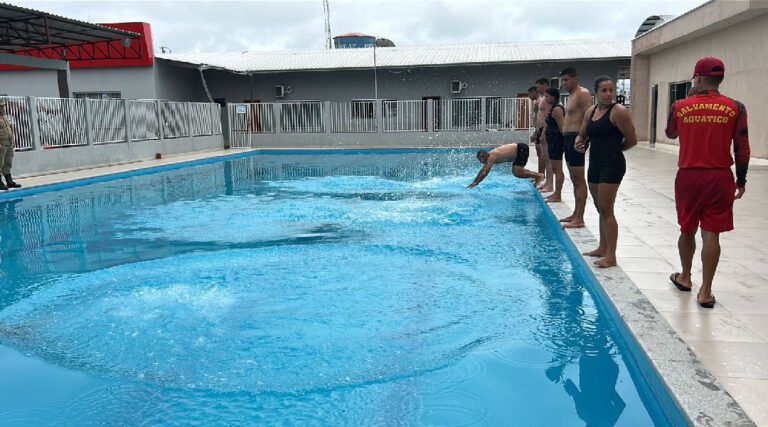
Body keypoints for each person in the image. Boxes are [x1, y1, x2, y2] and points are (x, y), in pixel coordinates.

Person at [665, 57, 750, 308]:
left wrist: (687, 104)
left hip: (689, 177)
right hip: (720, 176)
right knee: (711, 233)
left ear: (699, 78)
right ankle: (706, 292)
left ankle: (685, 277)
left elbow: (671, 133)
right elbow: (742, 148)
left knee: (687, 229)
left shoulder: (680, 106)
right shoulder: (736, 107)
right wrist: (741, 181)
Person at [575, 76, 637, 268]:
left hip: (612, 165)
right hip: (595, 164)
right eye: (604, 90)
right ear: (596, 93)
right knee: (600, 207)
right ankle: (602, 248)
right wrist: (578, 143)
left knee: (606, 209)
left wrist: (614, 151)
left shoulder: (619, 112)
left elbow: (632, 140)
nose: (608, 94)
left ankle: (611, 256)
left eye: (611, 90)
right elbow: (582, 135)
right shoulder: (591, 112)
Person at [559, 67, 592, 228]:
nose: (564, 83)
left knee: (579, 180)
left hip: (576, 138)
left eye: (566, 80)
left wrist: (584, 139)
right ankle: (576, 213)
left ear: (575, 78)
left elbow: (589, 117)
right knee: (574, 179)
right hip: (568, 139)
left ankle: (580, 218)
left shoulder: (582, 94)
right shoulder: (572, 95)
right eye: (563, 80)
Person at [468, 143, 543, 188]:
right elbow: (482, 170)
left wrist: (477, 182)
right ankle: (535, 176)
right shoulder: (490, 156)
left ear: (483, 158)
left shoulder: (492, 157)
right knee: (518, 170)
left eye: (481, 161)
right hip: (520, 148)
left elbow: (485, 172)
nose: (481, 162)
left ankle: (539, 176)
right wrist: (475, 181)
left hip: (521, 149)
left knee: (516, 172)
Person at [542, 87, 566, 203]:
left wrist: (564, 144)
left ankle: (558, 194)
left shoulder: (557, 109)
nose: (545, 99)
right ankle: (556, 193)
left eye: (547, 96)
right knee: (556, 168)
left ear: (553, 97)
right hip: (553, 142)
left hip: (557, 143)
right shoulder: (553, 108)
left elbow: (562, 128)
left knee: (557, 169)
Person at [532, 77, 553, 192]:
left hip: (546, 130)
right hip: (541, 130)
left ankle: (548, 183)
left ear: (545, 85)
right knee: (543, 156)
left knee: (547, 158)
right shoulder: (544, 99)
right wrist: (536, 131)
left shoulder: (548, 99)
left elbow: (548, 117)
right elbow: (540, 116)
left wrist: (544, 131)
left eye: (538, 86)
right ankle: (543, 178)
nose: (537, 89)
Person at [0, 99, 21, 191]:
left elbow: (9, 129)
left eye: (3, 106)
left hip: (9, 143)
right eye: (0, 106)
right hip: (1, 144)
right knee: (0, 163)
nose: (2, 108)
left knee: (8, 163)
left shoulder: (4, 117)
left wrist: (13, 143)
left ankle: (9, 181)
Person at [527, 86, 546, 177]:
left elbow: (541, 118)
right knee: (540, 154)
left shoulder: (539, 102)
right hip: (539, 129)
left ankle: (541, 176)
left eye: (529, 94)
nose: (529, 96)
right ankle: (540, 175)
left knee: (541, 154)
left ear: (534, 92)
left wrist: (537, 132)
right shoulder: (538, 102)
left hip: (540, 129)